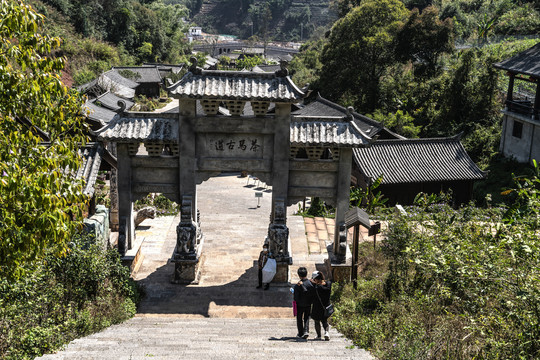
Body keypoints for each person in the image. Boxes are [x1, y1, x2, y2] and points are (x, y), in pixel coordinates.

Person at [311, 270, 332, 341]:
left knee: (317, 321)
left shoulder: (316, 287)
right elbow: (327, 289)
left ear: (316, 279)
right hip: (325, 306)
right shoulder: (328, 284)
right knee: (324, 320)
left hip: (317, 306)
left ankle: (319, 336)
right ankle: (326, 332)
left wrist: (316, 284)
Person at [293, 266, 314, 339]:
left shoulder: (297, 285)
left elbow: (296, 297)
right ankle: (306, 331)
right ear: (306, 274)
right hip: (308, 304)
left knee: (299, 318)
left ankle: (300, 333)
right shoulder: (310, 283)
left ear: (299, 275)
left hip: (300, 304)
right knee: (307, 317)